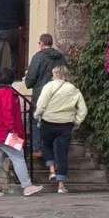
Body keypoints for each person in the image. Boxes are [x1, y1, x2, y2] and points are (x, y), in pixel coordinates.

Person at [0, 68, 43, 197]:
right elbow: (8, 114)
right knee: (18, 157)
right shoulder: (8, 94)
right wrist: (13, 131)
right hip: (6, 132)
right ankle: (27, 186)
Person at [33, 64, 87, 194]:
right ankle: (61, 186)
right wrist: (77, 120)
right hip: (66, 124)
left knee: (46, 145)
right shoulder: (74, 89)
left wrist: (37, 114)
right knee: (62, 154)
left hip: (48, 121)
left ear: (56, 74)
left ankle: (52, 170)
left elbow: (41, 103)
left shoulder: (49, 86)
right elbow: (83, 109)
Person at [25, 34, 67, 178]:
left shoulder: (39, 57)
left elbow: (31, 78)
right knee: (55, 124)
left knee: (36, 120)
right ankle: (55, 157)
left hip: (41, 94)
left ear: (41, 43)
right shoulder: (61, 57)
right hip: (59, 96)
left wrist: (29, 83)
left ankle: (37, 148)